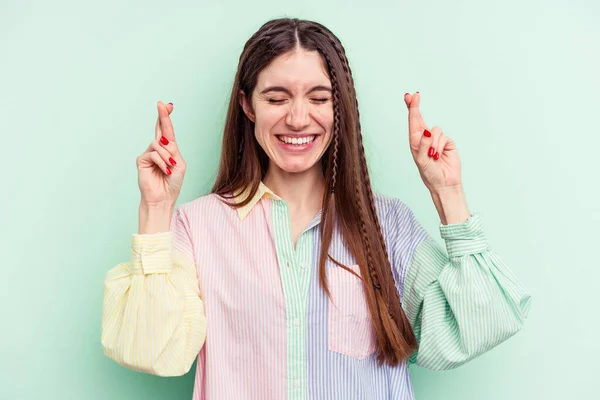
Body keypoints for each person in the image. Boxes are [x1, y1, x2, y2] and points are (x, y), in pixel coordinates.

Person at [101, 18, 531, 400]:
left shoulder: (388, 226)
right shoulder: (198, 227)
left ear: (338, 106)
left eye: (319, 98)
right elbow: (150, 348)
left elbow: (483, 322)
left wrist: (447, 191)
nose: (298, 118)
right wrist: (156, 209)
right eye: (277, 98)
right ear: (248, 104)